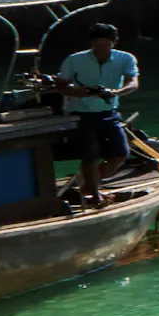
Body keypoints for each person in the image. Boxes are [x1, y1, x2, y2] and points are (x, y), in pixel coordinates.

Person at [54, 23, 140, 208]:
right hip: (81, 114)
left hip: (109, 112)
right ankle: (94, 194)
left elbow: (133, 83)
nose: (102, 48)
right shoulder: (74, 60)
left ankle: (88, 186)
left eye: (107, 44)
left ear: (114, 42)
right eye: (98, 44)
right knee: (91, 155)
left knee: (120, 153)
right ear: (91, 43)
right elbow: (60, 85)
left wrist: (115, 92)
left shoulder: (125, 59)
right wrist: (80, 92)